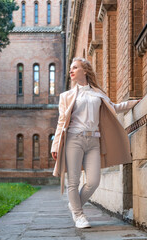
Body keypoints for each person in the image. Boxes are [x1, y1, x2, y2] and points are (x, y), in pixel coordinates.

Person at [51, 57, 140, 229]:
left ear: (85, 71)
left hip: (94, 141)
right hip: (73, 139)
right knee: (74, 181)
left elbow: (113, 107)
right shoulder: (66, 96)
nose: (71, 71)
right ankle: (78, 215)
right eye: (70, 68)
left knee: (94, 180)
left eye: (75, 67)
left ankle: (74, 205)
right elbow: (61, 122)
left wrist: (135, 103)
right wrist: (55, 145)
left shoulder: (98, 93)